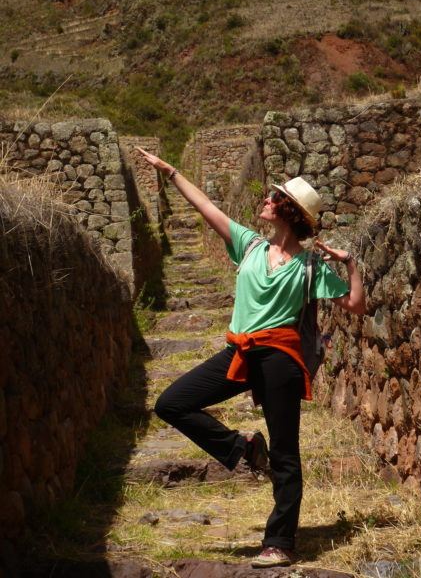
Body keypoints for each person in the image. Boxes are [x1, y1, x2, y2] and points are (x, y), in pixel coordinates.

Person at [136, 147, 366, 568]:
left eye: (273, 197)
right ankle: (241, 447)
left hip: (279, 357)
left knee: (285, 451)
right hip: (237, 350)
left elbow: (355, 305)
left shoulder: (310, 266)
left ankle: (280, 541)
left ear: (288, 211)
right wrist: (171, 173)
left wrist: (350, 264)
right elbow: (206, 206)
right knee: (171, 404)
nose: (265, 199)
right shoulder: (249, 245)